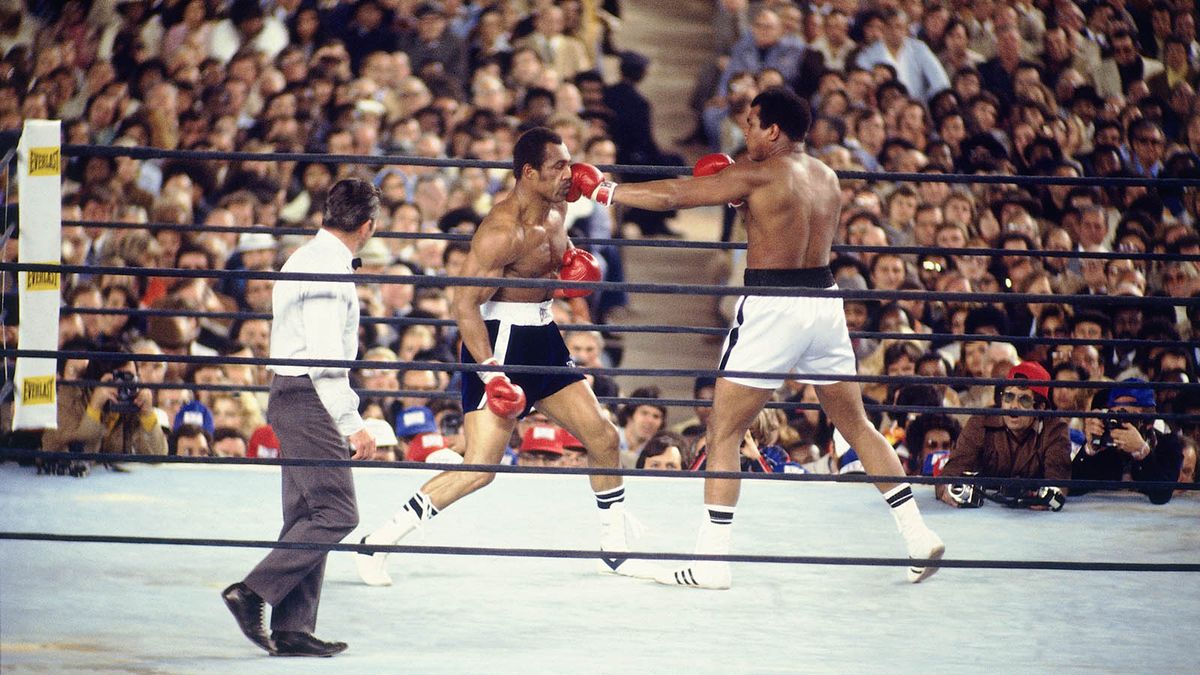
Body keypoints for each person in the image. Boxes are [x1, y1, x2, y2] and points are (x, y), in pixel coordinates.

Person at [571, 87, 943, 589]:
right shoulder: (827, 177)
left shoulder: (759, 173)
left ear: (773, 129)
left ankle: (710, 562)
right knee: (855, 423)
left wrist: (605, 191)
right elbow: (780, 228)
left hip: (774, 307)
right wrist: (742, 202)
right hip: (825, 302)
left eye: (750, 124)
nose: (744, 133)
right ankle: (917, 534)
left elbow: (675, 196)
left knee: (723, 429)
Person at [355, 127, 652, 587]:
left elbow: (550, 252)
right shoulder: (500, 230)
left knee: (604, 436)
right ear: (528, 173)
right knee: (481, 467)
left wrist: (573, 258)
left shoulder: (560, 204)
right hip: (500, 339)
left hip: (542, 334)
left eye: (568, 163)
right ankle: (380, 540)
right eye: (557, 166)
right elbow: (463, 304)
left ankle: (614, 549)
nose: (567, 174)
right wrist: (491, 370)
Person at [221, 178, 379, 658]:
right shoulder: (326, 269)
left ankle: (292, 629)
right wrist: (353, 423)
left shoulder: (304, 257)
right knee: (337, 514)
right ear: (367, 227)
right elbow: (326, 358)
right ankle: (251, 592)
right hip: (310, 395)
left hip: (293, 393)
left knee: (307, 515)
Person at [936, 362, 1071, 511]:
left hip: (1033, 520)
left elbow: (1058, 482)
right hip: (984, 515)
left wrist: (1048, 497)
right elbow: (949, 474)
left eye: (1024, 400)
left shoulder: (1055, 429)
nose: (1013, 406)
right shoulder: (980, 422)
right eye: (1008, 397)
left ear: (1040, 408)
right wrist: (948, 491)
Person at [1072, 379, 1186, 505]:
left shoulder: (1168, 444)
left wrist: (1142, 452)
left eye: (1127, 417)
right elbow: (1072, 489)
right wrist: (1089, 450)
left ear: (1148, 422)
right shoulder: (1104, 445)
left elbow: (1161, 496)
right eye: (1115, 415)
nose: (1121, 423)